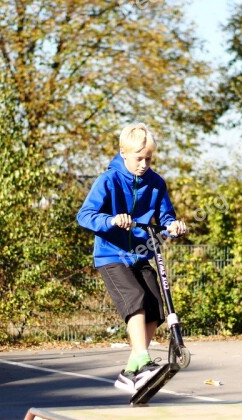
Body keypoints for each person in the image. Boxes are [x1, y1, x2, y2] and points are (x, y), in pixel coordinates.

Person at [76, 123, 187, 392]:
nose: (144, 164)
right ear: (123, 153)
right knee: (135, 299)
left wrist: (173, 226)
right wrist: (112, 220)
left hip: (140, 254)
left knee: (156, 306)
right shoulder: (109, 180)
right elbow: (85, 215)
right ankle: (142, 359)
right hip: (111, 255)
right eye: (139, 158)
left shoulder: (156, 183)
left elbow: (165, 217)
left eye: (148, 158)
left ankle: (131, 371)